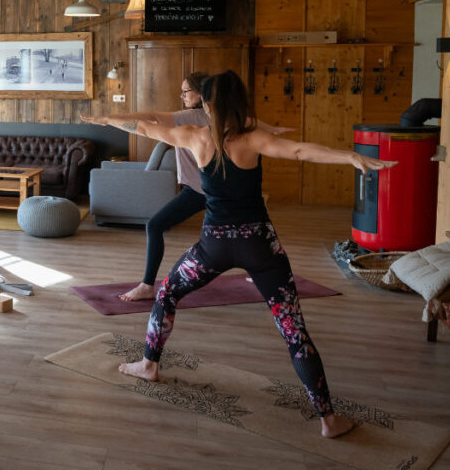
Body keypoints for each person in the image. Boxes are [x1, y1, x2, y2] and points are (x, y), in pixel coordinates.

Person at [81, 70, 395, 438]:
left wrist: (106, 119)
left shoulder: (195, 137)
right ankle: (329, 419)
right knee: (294, 331)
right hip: (261, 245)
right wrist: (349, 157)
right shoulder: (253, 139)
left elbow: (145, 128)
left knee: (166, 293)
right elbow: (300, 151)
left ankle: (149, 365)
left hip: (213, 245)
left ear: (207, 104)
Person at [83, 72, 291, 302]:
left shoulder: (187, 117)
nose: (181, 96)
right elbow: (251, 123)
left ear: (201, 95)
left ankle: (147, 285)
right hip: (221, 192)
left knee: (155, 226)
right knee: (250, 229)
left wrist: (110, 117)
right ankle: (259, 268)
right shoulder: (229, 117)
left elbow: (149, 118)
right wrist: (273, 128)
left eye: (186, 91)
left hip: (200, 191)